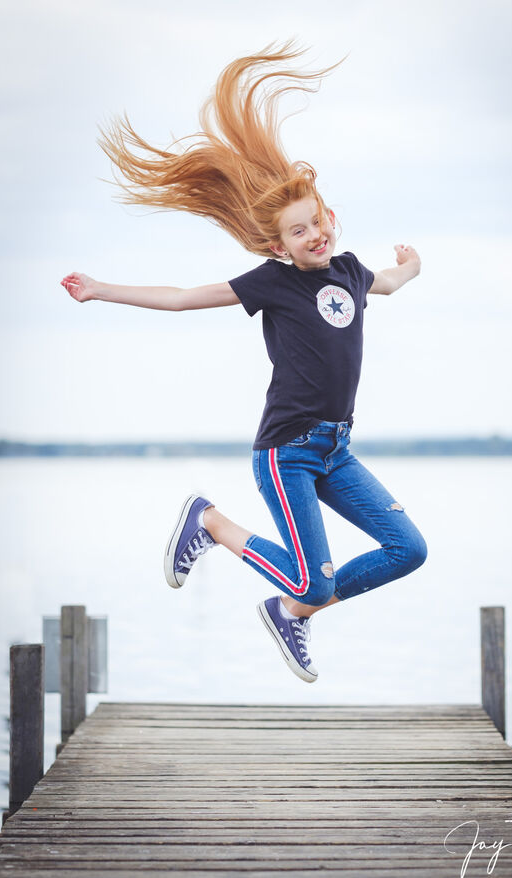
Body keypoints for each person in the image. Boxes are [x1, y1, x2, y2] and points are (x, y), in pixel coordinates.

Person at [61, 42, 428, 684]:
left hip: (336, 450)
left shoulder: (348, 270)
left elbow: (391, 284)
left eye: (317, 223)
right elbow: (180, 300)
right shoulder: (272, 283)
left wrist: (413, 264)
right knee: (312, 572)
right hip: (288, 450)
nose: (314, 236)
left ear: (329, 218)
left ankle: (294, 612)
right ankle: (209, 520)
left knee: (407, 549)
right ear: (275, 244)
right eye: (298, 232)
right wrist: (101, 288)